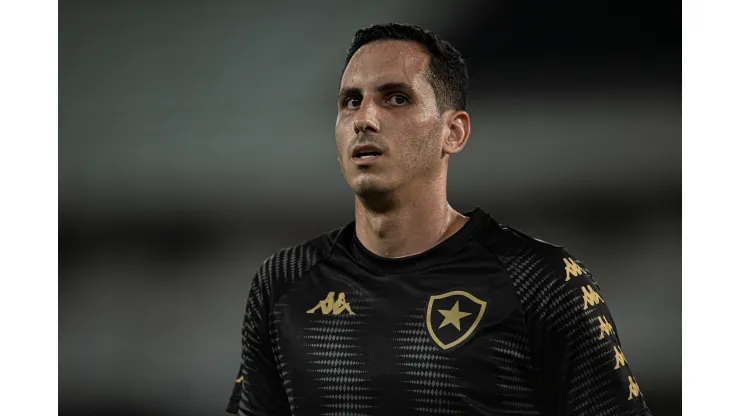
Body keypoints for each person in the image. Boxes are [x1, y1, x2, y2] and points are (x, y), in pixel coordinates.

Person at [225, 23, 652, 416]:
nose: (364, 119)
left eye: (396, 98)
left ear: (454, 132)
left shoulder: (541, 282)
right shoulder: (282, 282)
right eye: (350, 101)